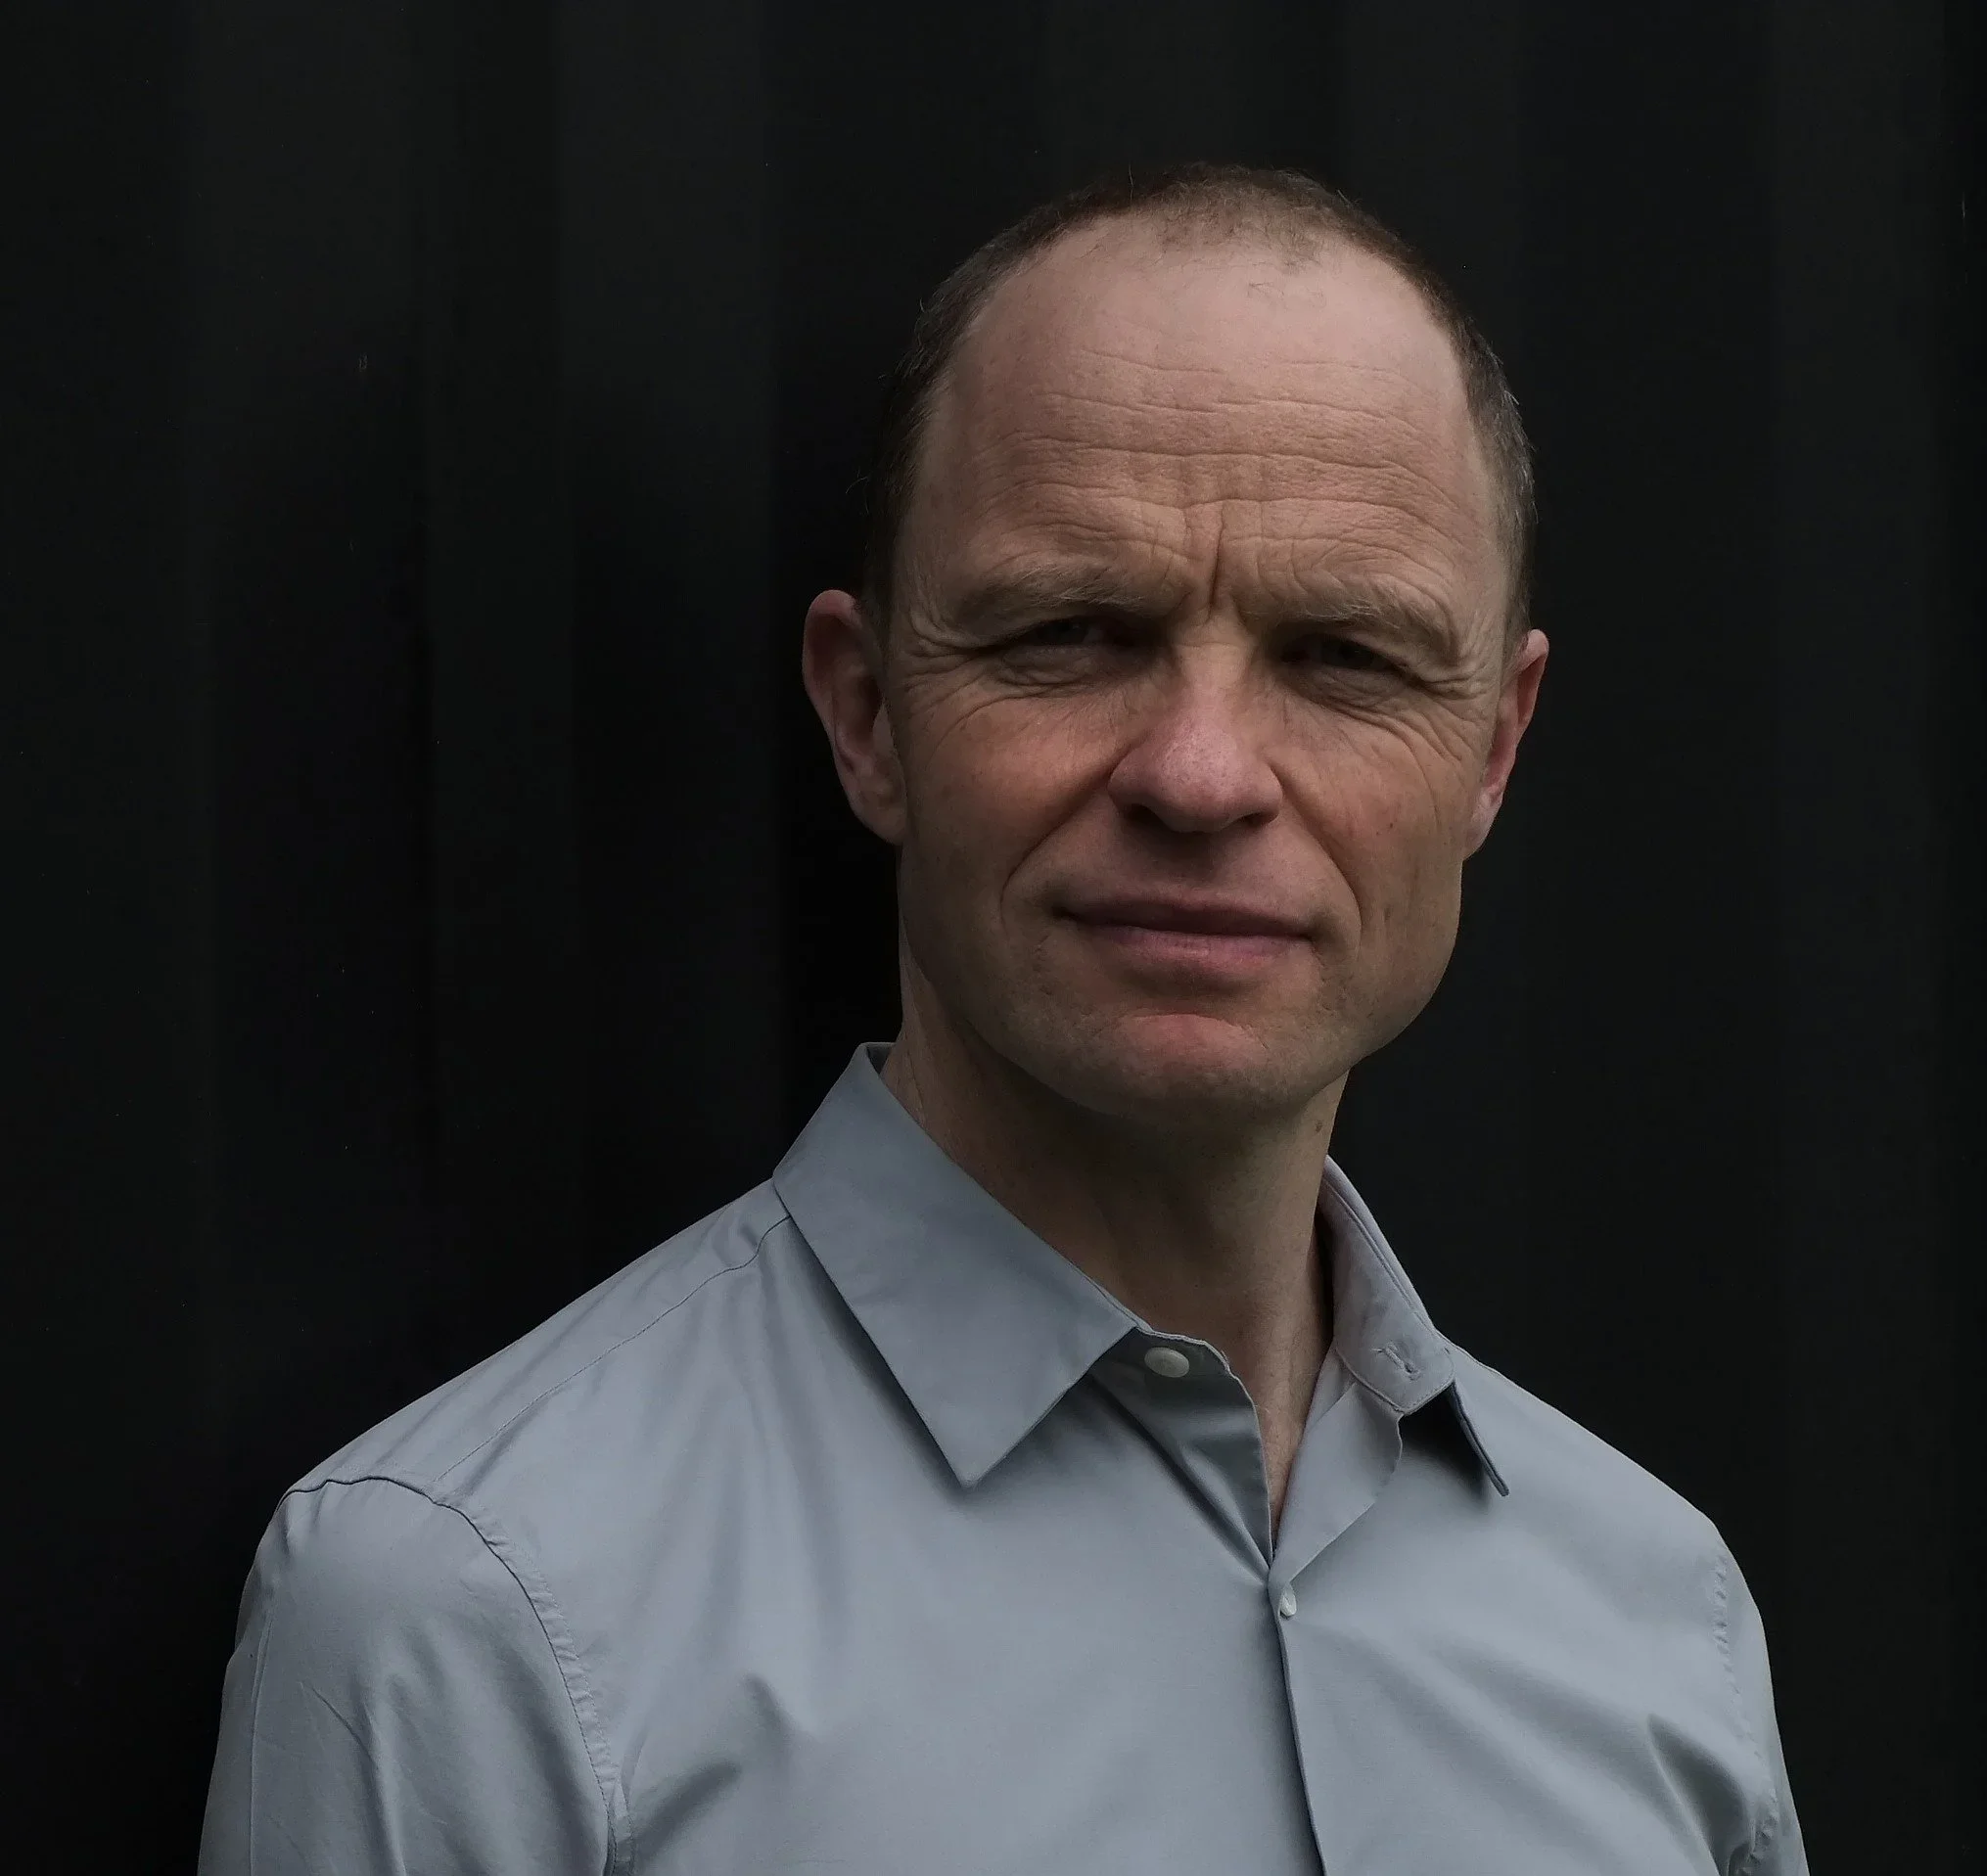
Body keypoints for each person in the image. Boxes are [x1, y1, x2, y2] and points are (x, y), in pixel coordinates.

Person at [200, 163, 1806, 1874]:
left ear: (1491, 746)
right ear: (869, 714)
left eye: (1344, 657)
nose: (1199, 774)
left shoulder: (1653, 1619)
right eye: (1071, 633)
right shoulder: (471, 1611)